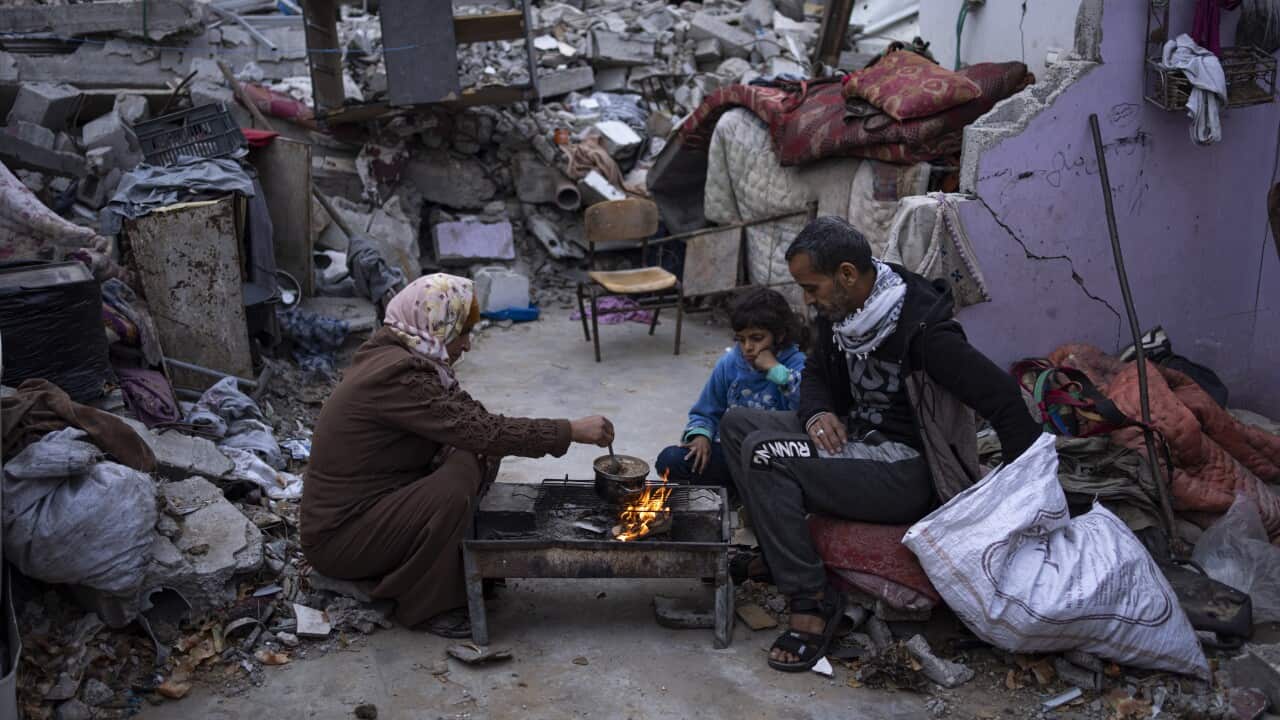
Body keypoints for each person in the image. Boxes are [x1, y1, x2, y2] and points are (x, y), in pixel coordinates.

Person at [720, 217, 1039, 672]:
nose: (807, 300)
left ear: (847, 275)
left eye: (811, 288)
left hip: (904, 469)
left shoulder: (924, 333)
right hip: (853, 437)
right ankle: (779, 555)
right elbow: (814, 374)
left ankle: (810, 602)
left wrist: (1021, 500)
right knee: (736, 424)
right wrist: (816, 413)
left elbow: (1006, 401)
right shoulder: (842, 315)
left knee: (766, 455)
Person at [301, 274, 614, 637]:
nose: (466, 345)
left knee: (474, 455)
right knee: (456, 484)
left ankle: (451, 563)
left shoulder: (403, 352)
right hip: (340, 538)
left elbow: (472, 420)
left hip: (375, 508)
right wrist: (570, 430)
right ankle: (427, 604)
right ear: (434, 326)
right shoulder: (397, 373)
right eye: (459, 333)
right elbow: (484, 430)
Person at [654, 287, 805, 491]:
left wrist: (776, 372)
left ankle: (751, 493)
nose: (747, 348)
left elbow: (805, 413)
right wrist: (701, 436)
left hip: (775, 460)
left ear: (779, 335)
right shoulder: (731, 363)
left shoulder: (797, 364)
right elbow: (705, 411)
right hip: (733, 456)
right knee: (670, 460)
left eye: (757, 338)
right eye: (741, 339)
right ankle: (742, 490)